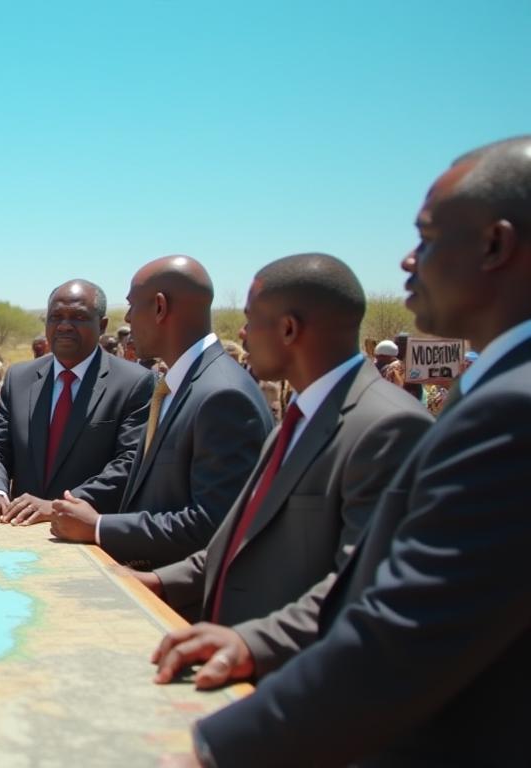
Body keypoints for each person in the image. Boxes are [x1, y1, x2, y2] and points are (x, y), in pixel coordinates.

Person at [179, 136, 531, 768]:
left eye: (427, 237)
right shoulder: (493, 389)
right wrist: (252, 642)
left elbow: (406, 632)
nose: (407, 259)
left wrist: (212, 749)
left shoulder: (512, 408)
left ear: (495, 246)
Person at [140, 253, 431, 687]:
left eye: (249, 320)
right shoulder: (295, 422)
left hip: (302, 687)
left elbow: (361, 587)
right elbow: (236, 545)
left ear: (289, 329)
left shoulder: (388, 427)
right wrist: (154, 582)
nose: (241, 334)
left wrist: (251, 644)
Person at [50, 256, 271, 569]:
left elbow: (214, 524)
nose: (128, 317)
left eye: (132, 305)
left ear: (159, 307)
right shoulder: (177, 386)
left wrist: (99, 527)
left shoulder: (223, 395)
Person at [0, 280, 154, 525]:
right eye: (56, 317)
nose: (64, 325)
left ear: (101, 325)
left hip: (87, 535)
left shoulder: (133, 383)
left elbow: (130, 463)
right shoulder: (20, 378)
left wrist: (58, 507)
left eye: (78, 317)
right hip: (18, 531)